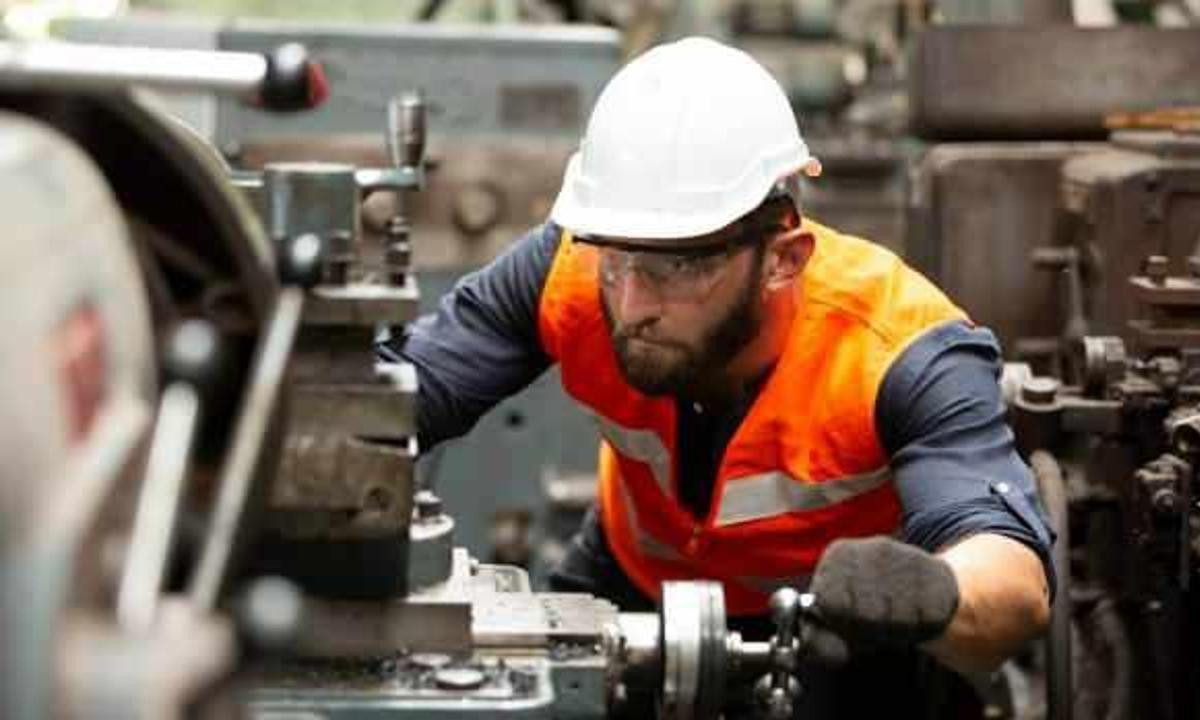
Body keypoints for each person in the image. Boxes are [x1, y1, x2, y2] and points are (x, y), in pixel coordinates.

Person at [381, 36, 1052, 717]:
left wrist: (926, 594)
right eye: (616, 260)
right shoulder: (571, 272)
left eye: (679, 268)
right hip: (630, 581)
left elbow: (1013, 585)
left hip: (840, 625)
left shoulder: (899, 350)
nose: (632, 306)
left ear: (784, 259)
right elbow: (399, 391)